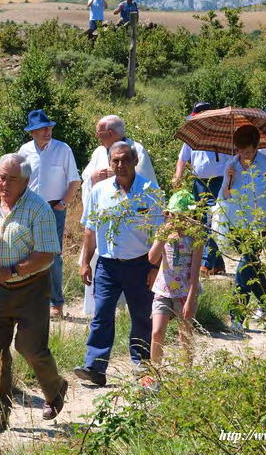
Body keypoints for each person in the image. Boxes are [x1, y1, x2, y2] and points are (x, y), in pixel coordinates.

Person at [0, 154, 67, 433]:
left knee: (30, 348)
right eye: (0, 176)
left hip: (31, 289)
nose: (3, 183)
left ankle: (55, 387)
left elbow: (46, 255)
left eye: (10, 179)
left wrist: (9, 271)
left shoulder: (38, 208)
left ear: (26, 181)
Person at [75, 142, 164, 386]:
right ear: (110, 163)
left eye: (125, 160)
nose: (120, 165)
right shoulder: (99, 191)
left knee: (141, 317)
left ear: (135, 160)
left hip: (140, 265)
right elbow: (90, 231)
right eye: (115, 161)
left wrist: (155, 268)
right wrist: (85, 263)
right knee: (102, 314)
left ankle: (142, 365)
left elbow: (161, 232)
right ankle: (94, 366)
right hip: (107, 265)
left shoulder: (150, 190)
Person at [80, 114, 157, 315]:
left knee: (139, 310)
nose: (98, 138)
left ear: (112, 133)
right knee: (102, 311)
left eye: (100, 134)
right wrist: (94, 178)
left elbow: (142, 185)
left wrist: (113, 177)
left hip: (133, 234)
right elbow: (86, 176)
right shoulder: (99, 152)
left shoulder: (136, 149)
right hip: (104, 226)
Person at [17, 109, 82, 318]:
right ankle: (30, 299)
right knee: (27, 251)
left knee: (53, 255)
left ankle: (56, 303)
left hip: (54, 209)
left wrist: (63, 204)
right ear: (32, 132)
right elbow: (19, 179)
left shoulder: (63, 149)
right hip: (29, 209)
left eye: (49, 128)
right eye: (42, 129)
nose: (47, 131)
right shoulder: (24, 151)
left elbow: (74, 180)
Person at [220, 125, 266, 333]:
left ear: (256, 148)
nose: (243, 155)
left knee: (246, 265)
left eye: (247, 151)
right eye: (240, 150)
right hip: (238, 224)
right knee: (253, 266)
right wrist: (228, 178)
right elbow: (225, 196)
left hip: (260, 223)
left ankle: (236, 316)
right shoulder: (231, 164)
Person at [147, 191, 202, 369]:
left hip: (185, 292)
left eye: (180, 215)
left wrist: (190, 300)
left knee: (184, 334)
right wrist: (163, 236)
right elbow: (152, 258)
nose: (176, 219)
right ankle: (155, 373)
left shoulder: (196, 236)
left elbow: (194, 273)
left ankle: (187, 373)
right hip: (163, 289)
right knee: (157, 332)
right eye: (172, 214)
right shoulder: (164, 232)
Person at [173, 101, 227, 275]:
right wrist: (178, 175)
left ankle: (205, 262)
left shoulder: (223, 135)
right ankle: (217, 264)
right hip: (198, 183)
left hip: (218, 182)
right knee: (203, 222)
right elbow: (182, 158)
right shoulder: (193, 136)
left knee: (212, 220)